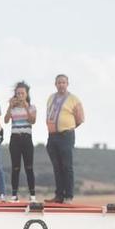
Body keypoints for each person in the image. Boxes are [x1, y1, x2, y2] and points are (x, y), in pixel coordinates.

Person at [43, 74, 85, 204]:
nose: (61, 84)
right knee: (57, 167)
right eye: (59, 82)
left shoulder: (74, 99)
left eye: (63, 82)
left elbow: (80, 118)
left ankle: (69, 196)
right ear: (55, 84)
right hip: (52, 136)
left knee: (67, 166)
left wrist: (68, 127)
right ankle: (59, 195)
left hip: (66, 135)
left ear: (67, 84)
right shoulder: (51, 98)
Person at [3, 81, 38, 200]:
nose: (20, 95)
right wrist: (9, 107)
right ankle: (14, 195)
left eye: (22, 93)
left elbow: (32, 121)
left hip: (27, 138)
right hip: (15, 139)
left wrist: (27, 108)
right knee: (15, 167)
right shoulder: (13, 108)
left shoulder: (32, 107)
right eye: (18, 93)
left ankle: (32, 195)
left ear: (26, 94)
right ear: (15, 94)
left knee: (29, 167)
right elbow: (6, 120)